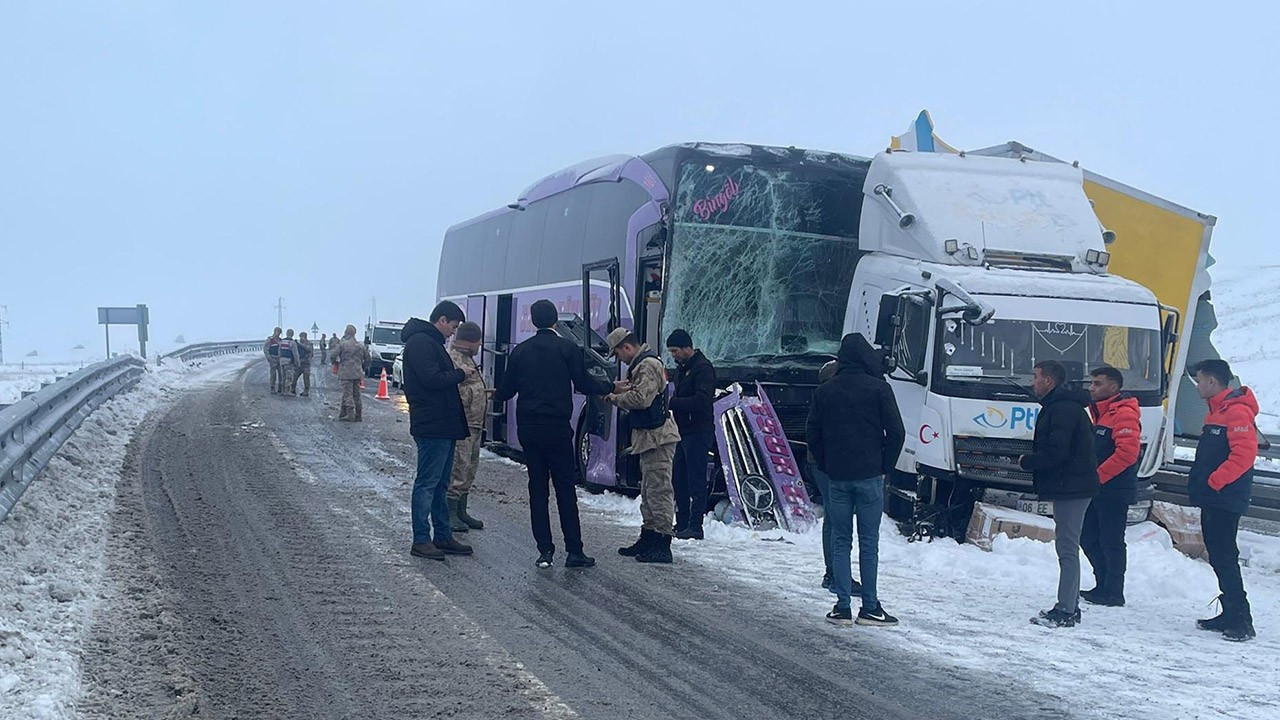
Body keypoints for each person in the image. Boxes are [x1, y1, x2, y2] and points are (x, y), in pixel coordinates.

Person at [493, 299, 622, 569]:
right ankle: (574, 551)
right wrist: (610, 386)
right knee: (565, 489)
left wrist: (494, 394)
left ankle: (544, 551)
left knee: (537, 489)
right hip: (557, 428)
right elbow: (583, 383)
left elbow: (506, 390)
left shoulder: (521, 351)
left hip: (529, 429)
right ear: (555, 321)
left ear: (532, 321)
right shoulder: (567, 348)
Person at [807, 333, 904, 628]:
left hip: (837, 477)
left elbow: (813, 434)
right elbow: (897, 432)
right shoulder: (880, 388)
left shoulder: (825, 391)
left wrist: (827, 465)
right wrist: (885, 465)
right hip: (870, 476)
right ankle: (870, 607)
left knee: (840, 539)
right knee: (868, 542)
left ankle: (842, 606)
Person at [1018, 360, 1099, 629]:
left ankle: (1066, 610)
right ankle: (1069, 605)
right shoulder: (1062, 406)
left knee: (1067, 547)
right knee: (1067, 545)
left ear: (1049, 381)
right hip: (1072, 485)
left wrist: (1027, 462)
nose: (1032, 382)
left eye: (1036, 377)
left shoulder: (1062, 409)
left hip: (1072, 487)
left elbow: (1057, 451)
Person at [1189, 359, 1259, 642]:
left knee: (1225, 556)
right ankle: (1230, 612)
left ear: (1212, 382)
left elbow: (1244, 455)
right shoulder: (1217, 411)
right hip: (1215, 497)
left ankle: (1241, 619)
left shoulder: (1236, 411)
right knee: (1219, 555)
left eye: (1199, 380)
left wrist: (1215, 482)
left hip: (1225, 497)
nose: (1196, 386)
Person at [401, 303, 474, 561]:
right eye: (453, 327)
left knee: (440, 484)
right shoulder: (421, 343)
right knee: (427, 483)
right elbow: (431, 379)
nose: (453, 333)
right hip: (432, 424)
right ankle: (421, 540)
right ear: (442, 320)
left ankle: (442, 535)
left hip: (442, 424)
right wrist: (460, 374)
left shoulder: (430, 343)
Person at [605, 329, 682, 564]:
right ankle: (648, 537)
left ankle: (662, 543)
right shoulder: (642, 364)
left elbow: (641, 399)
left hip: (658, 438)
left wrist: (614, 398)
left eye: (618, 354)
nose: (619, 359)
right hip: (650, 437)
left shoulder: (647, 365)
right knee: (649, 491)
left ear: (627, 347)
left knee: (659, 490)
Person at [1080, 366, 1140, 607]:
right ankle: (1102, 584)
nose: (1091, 388)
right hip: (1098, 488)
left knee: (1111, 540)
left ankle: (1114, 590)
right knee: (1088, 537)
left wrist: (1098, 477)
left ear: (1113, 387)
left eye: (1097, 383)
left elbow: (1127, 453)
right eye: (1091, 383)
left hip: (1114, 489)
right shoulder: (1101, 412)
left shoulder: (1123, 413)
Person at [665, 329, 717, 540]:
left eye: (675, 351)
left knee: (696, 479)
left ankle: (696, 525)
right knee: (679, 478)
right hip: (682, 431)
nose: (673, 355)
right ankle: (682, 521)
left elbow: (702, 401)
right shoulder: (682, 369)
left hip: (698, 430)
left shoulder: (703, 369)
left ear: (687, 347)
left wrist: (673, 403)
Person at [446, 321, 488, 533]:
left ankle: (461, 509)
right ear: (471, 340)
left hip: (474, 423)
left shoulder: (468, 358)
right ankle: (450, 511)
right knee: (459, 467)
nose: (480, 345)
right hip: (462, 424)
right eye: (478, 341)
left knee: (470, 467)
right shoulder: (454, 359)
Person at [335, 325, 371, 421]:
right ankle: (358, 415)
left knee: (348, 394)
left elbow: (333, 355)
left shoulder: (342, 344)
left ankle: (350, 414)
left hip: (346, 372)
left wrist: (336, 363)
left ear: (346, 332)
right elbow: (368, 359)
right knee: (356, 394)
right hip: (357, 372)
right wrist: (362, 367)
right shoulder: (360, 346)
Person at [278, 329, 300, 397]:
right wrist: (297, 363)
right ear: (292, 334)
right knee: (289, 377)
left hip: (282, 361)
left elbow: (279, 351)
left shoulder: (282, 341)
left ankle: (282, 391)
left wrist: (280, 359)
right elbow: (295, 354)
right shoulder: (292, 342)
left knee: (283, 377)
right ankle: (287, 391)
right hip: (289, 361)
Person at [294, 332, 314, 396]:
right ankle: (292, 389)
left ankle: (306, 391)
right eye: (300, 337)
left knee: (306, 378)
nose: (301, 338)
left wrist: (299, 344)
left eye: (302, 337)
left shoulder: (309, 343)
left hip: (306, 363)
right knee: (294, 377)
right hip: (299, 363)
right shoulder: (298, 344)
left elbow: (308, 349)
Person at [265, 327, 282, 393]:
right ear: (275, 331)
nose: (278, 334)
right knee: (273, 374)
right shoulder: (270, 340)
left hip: (279, 359)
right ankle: (272, 387)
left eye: (279, 332)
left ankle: (280, 387)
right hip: (273, 358)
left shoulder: (280, 340)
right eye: (278, 332)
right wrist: (268, 357)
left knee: (281, 374)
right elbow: (266, 349)